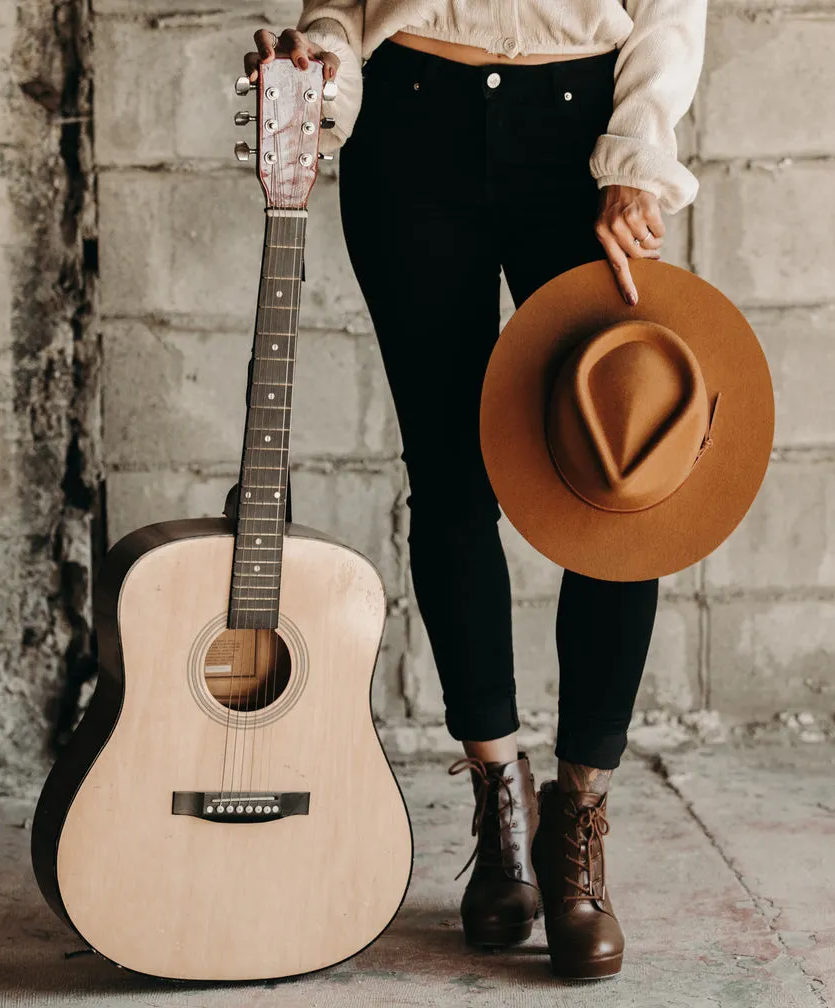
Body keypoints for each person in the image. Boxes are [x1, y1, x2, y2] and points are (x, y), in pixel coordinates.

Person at [244, 0, 706, 979]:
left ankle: (577, 817)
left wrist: (637, 157)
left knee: (619, 493)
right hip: (414, 122)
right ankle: (500, 800)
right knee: (450, 479)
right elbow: (342, 7)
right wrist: (322, 69)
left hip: (582, 129)